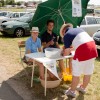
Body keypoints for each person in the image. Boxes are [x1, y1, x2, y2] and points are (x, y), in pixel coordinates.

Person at [60, 23, 98, 98]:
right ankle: (83, 88)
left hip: (83, 50)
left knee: (76, 74)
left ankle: (72, 91)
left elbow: (66, 53)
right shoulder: (79, 30)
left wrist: (63, 53)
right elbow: (79, 43)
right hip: (93, 48)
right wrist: (69, 49)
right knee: (88, 72)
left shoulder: (67, 35)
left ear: (64, 31)